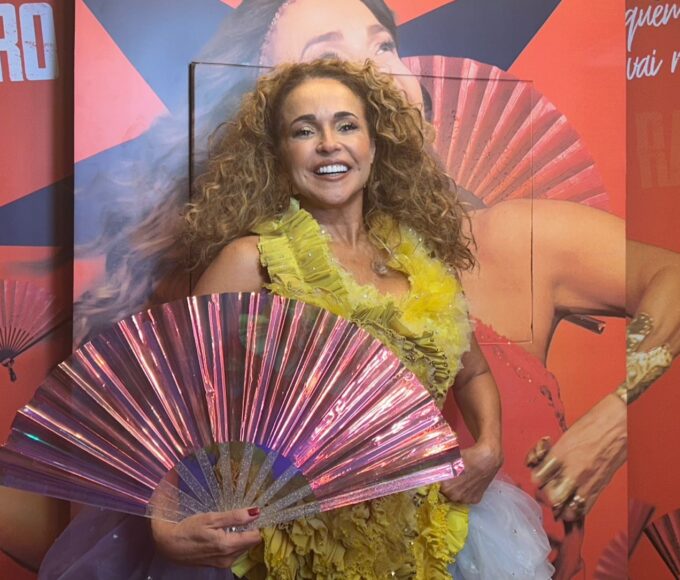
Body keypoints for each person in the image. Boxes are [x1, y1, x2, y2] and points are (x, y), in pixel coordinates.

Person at [179, 57, 552, 579]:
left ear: (374, 148)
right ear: (279, 156)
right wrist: (163, 517)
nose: (328, 144)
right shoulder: (252, 261)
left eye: (346, 125)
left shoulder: (423, 264)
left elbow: (472, 373)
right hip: (301, 540)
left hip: (424, 530)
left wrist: (489, 446)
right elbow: (176, 398)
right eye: (304, 130)